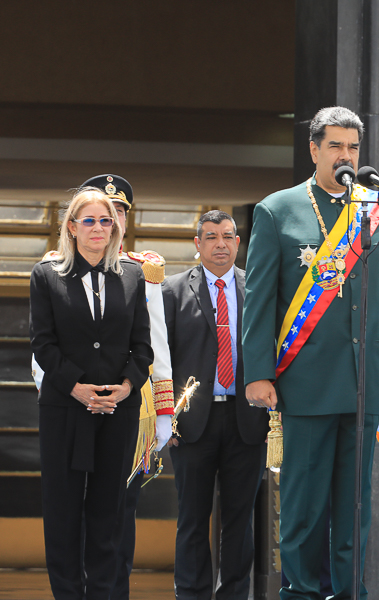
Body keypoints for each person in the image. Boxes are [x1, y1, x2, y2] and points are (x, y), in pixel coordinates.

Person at [242, 105, 379, 599]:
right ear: (313, 149)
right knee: (303, 506)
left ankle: (351, 592)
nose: (344, 155)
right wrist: (258, 372)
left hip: (365, 381)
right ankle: (300, 592)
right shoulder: (279, 209)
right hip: (306, 380)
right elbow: (261, 301)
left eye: (352, 147)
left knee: (355, 507)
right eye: (334, 145)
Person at [31, 174, 174, 599]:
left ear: (116, 227)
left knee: (109, 515)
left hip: (119, 411)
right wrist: (76, 387)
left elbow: (143, 346)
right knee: (63, 513)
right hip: (65, 410)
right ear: (71, 226)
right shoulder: (47, 274)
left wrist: (129, 386)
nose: (97, 228)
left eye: (106, 221)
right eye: (88, 220)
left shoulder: (132, 275)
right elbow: (43, 343)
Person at [162, 210, 269, 599]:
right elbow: (161, 359)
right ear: (198, 244)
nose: (220, 244)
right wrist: (165, 419)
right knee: (192, 518)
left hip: (247, 420)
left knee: (240, 520)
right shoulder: (172, 291)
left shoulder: (257, 288)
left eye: (227, 236)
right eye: (210, 237)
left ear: (239, 243)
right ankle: (190, 593)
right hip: (191, 423)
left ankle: (235, 594)